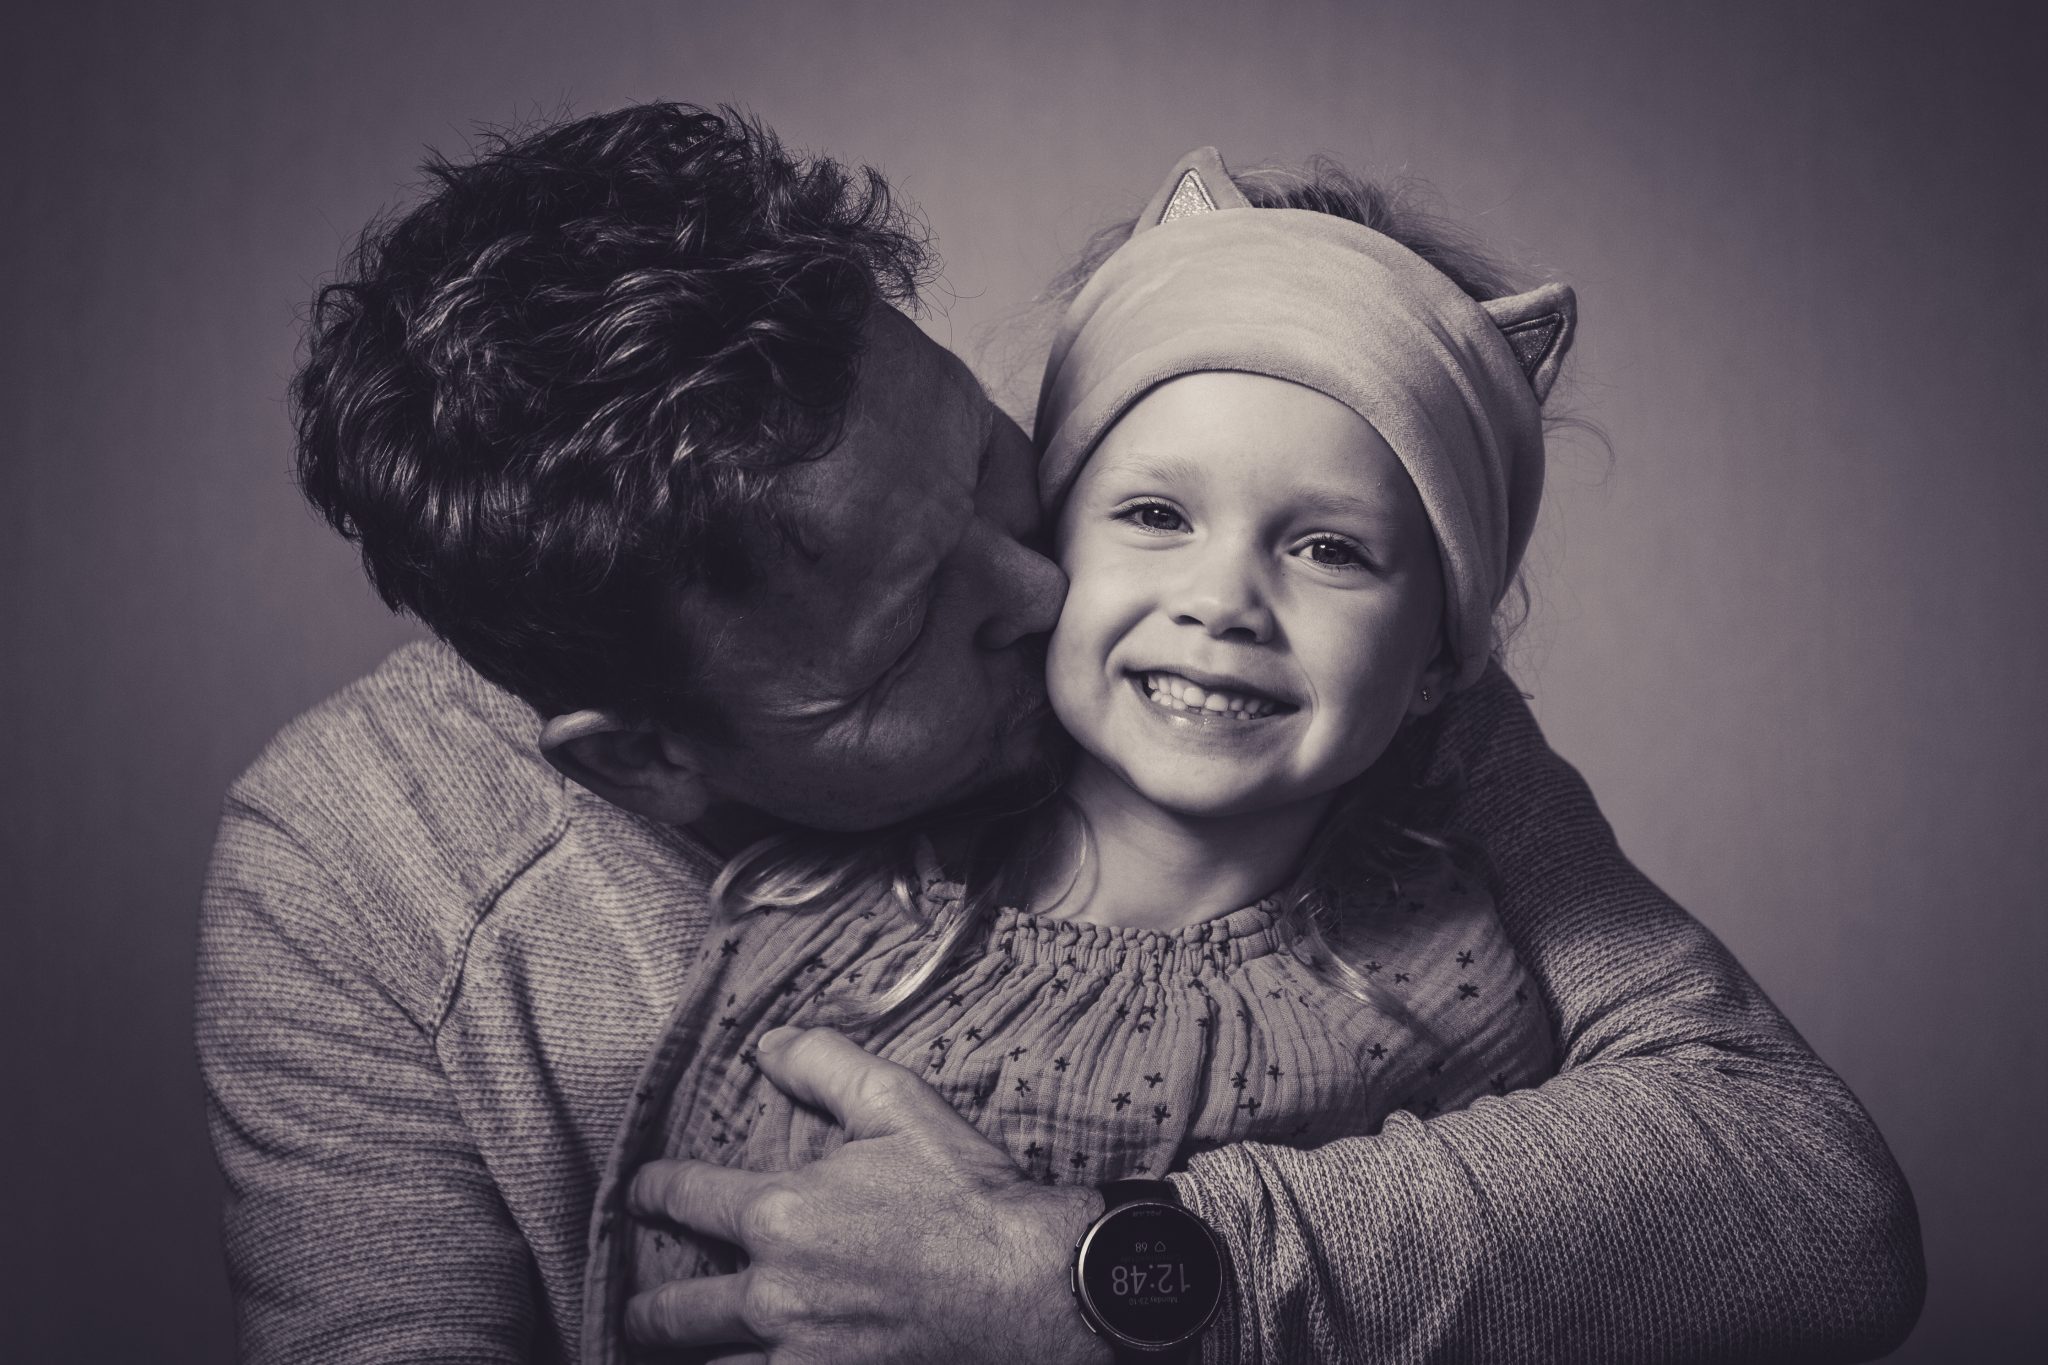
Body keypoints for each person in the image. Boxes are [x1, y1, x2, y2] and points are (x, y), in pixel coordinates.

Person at [196, 103, 1923, 1364]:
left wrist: (1114, 1279)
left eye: (983, 462)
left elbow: (1803, 1196)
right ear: (646, 758)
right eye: (912, 629)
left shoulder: (1302, 676)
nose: (1044, 587)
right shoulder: (367, 867)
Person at [582, 145, 1574, 1363]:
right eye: (1156, 515)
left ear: (1439, 659)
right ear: (1056, 537)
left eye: (1329, 548)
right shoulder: (826, 893)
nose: (1222, 602)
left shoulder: (1453, 1003)